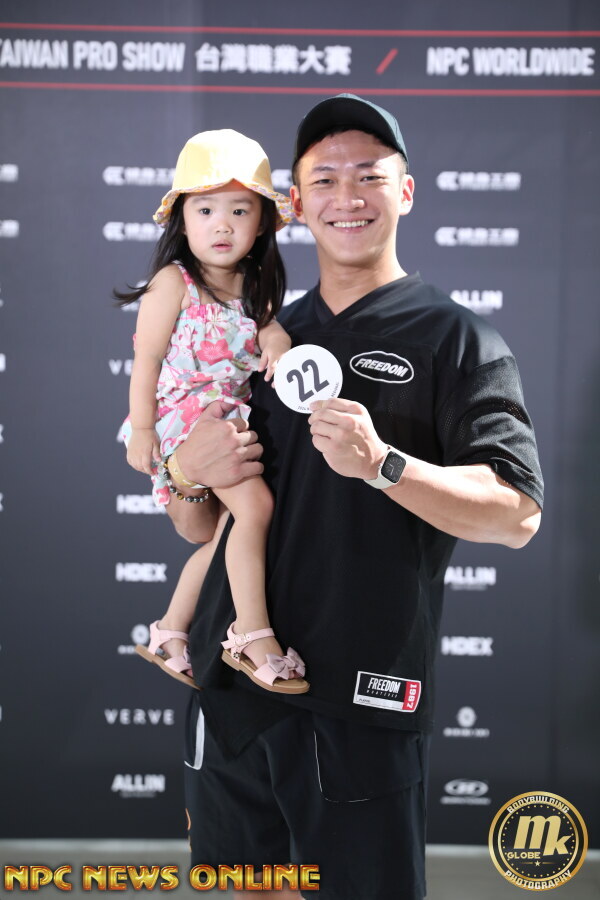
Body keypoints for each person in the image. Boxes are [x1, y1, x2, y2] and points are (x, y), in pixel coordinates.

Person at [164, 95, 544, 900]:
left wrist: (383, 465)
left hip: (361, 699)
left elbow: (516, 513)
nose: (348, 197)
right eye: (325, 180)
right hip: (233, 689)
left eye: (369, 176)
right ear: (295, 205)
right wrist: (188, 470)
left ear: (406, 191)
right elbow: (198, 525)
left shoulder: (456, 339)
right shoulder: (253, 334)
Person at [116, 129, 308, 695]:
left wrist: (277, 338)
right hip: (184, 422)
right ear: (181, 220)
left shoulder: (254, 285)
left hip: (229, 423)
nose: (222, 225)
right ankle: (250, 634)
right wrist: (143, 430)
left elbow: (266, 329)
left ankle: (171, 632)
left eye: (239, 211)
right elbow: (147, 360)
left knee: (226, 534)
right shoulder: (172, 283)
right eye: (205, 210)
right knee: (256, 508)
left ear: (262, 224)